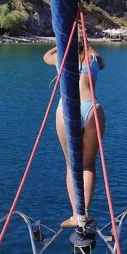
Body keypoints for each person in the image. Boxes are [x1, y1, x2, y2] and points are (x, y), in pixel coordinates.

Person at [43, 39, 105, 228]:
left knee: (72, 165)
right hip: (90, 108)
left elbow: (46, 56)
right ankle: (85, 213)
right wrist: (86, 43)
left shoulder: (62, 58)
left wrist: (61, 43)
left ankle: (75, 216)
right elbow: (102, 62)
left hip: (66, 109)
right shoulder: (92, 58)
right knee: (88, 166)